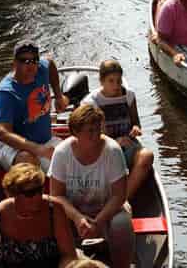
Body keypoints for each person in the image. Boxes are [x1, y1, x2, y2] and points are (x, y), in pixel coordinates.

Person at [49, 105, 133, 268]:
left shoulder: (112, 151)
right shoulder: (62, 153)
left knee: (121, 223)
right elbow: (56, 195)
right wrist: (77, 217)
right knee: (51, 221)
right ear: (76, 133)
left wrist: (98, 222)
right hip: (73, 211)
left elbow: (119, 196)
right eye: (90, 131)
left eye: (98, 129)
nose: (96, 135)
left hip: (107, 209)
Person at [81, 60, 154, 201]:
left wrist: (135, 129)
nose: (116, 85)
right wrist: (116, 142)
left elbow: (136, 122)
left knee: (147, 156)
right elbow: (93, 136)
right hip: (102, 147)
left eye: (119, 81)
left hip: (128, 145)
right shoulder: (91, 102)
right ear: (101, 81)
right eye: (111, 81)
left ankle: (123, 200)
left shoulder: (129, 96)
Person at [0, 41, 70, 171]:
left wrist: (58, 96)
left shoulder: (41, 69)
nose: (30, 65)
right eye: (24, 61)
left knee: (75, 162)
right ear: (14, 63)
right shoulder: (6, 93)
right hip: (16, 148)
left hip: (46, 140)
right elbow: (3, 133)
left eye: (34, 60)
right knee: (28, 160)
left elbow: (50, 63)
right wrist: (38, 149)